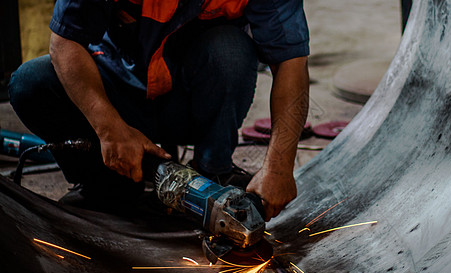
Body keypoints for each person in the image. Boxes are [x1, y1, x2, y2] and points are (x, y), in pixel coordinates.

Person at [8, 0, 310, 221]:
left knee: (230, 50)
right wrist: (109, 128)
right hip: (119, 91)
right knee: (30, 83)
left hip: (190, 100)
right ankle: (107, 188)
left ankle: (212, 178)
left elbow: (290, 62)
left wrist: (279, 167)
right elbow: (64, 44)